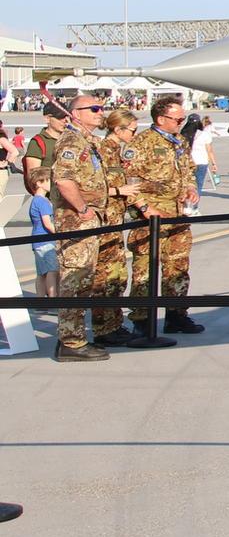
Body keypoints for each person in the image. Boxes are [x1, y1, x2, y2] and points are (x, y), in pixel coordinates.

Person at [128, 94, 201, 335]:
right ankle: (142, 318)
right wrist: (145, 207)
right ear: (161, 118)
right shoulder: (141, 143)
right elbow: (128, 180)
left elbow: (189, 169)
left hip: (178, 215)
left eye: (182, 119)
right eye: (177, 119)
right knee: (145, 268)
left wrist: (191, 188)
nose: (180, 122)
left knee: (178, 266)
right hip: (152, 215)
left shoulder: (179, 141)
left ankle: (176, 314)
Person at [48, 98, 111, 361]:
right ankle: (71, 343)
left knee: (84, 280)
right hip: (77, 221)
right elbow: (63, 180)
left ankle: (75, 338)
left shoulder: (86, 140)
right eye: (93, 109)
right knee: (74, 280)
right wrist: (83, 209)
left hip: (87, 220)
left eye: (100, 108)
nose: (100, 113)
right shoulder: (72, 142)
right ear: (75, 114)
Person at [87, 110, 143, 346]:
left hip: (115, 221)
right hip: (104, 222)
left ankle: (115, 324)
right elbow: (91, 187)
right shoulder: (101, 150)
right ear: (118, 129)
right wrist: (120, 191)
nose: (135, 134)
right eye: (132, 129)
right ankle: (103, 329)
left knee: (117, 277)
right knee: (104, 277)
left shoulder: (115, 151)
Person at [21, 99, 72, 195]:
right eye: (60, 117)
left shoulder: (70, 140)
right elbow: (33, 179)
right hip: (51, 200)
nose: (66, 121)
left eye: (67, 116)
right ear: (47, 119)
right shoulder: (38, 142)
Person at [27, 173, 57, 299]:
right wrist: (60, 234)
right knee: (52, 270)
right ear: (39, 183)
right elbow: (48, 223)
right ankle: (53, 297)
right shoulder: (43, 202)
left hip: (37, 241)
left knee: (41, 273)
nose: (51, 183)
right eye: (48, 181)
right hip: (46, 240)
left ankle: (40, 300)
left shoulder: (35, 200)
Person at [189, 113, 219, 199]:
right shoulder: (204, 134)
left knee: (188, 184)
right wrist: (214, 163)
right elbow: (209, 151)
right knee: (198, 184)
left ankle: (188, 204)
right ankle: (194, 206)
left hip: (189, 161)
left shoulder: (185, 134)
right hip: (202, 161)